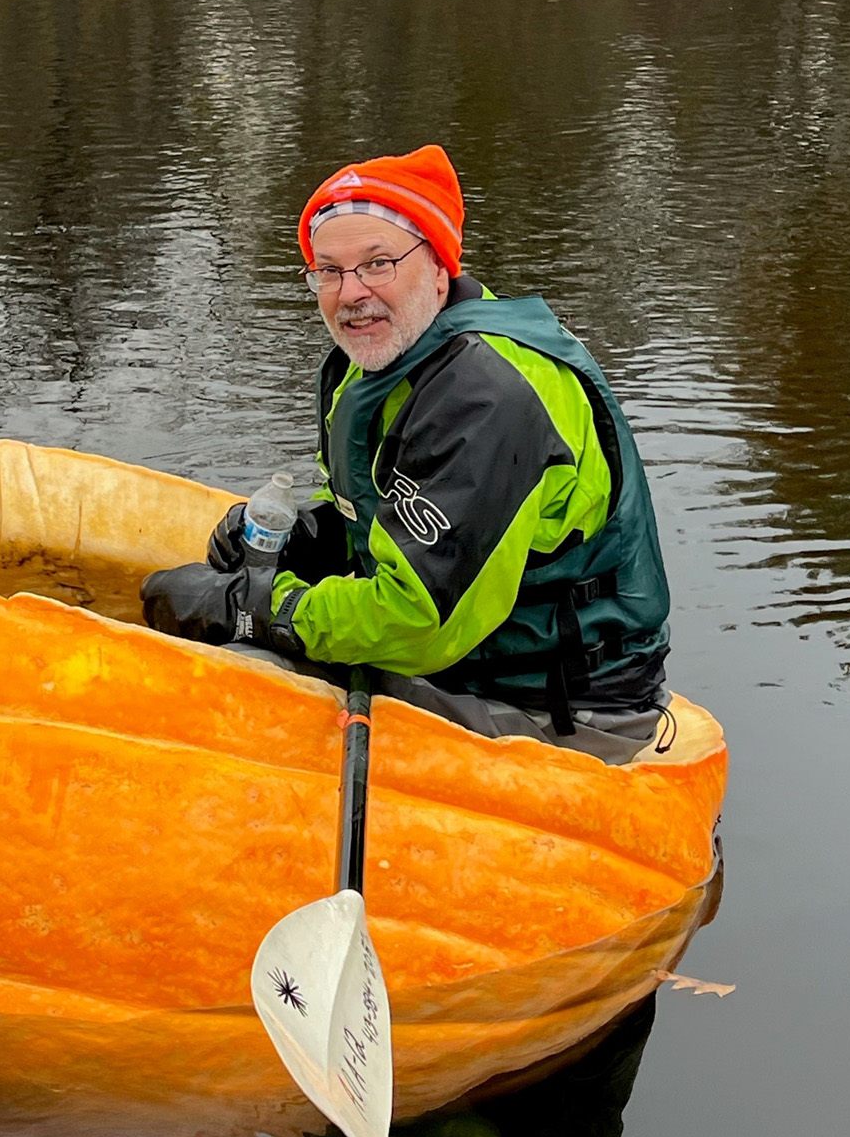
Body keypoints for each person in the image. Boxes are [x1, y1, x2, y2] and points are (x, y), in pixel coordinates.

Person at [141, 144, 673, 764]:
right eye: (329, 271)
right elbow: (402, 511)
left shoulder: (486, 396)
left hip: (552, 709)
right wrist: (312, 539)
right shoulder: (393, 357)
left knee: (234, 671)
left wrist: (253, 611)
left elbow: (419, 620)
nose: (351, 294)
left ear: (441, 268)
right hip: (477, 662)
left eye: (378, 263)